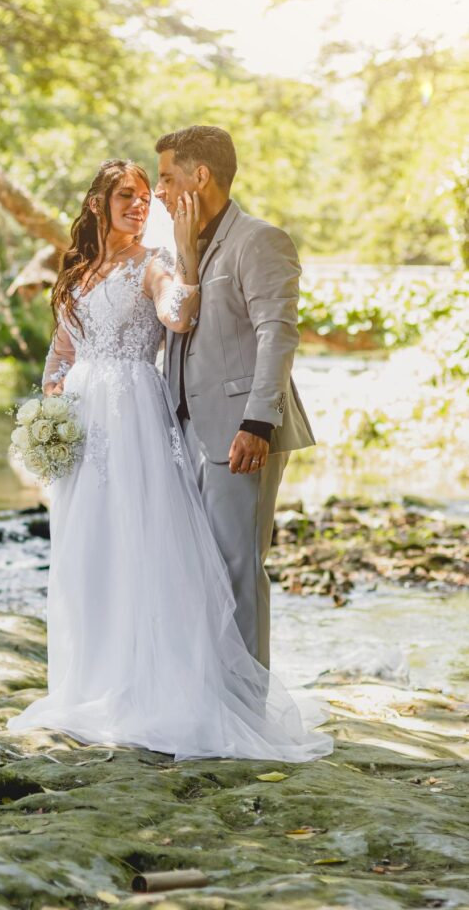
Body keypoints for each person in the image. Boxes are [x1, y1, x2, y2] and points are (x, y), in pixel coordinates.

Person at [6, 158, 332, 763]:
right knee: (87, 544)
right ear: (98, 202)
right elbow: (63, 345)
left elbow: (180, 314)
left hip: (132, 414)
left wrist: (181, 250)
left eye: (142, 195)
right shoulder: (77, 269)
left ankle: (152, 685)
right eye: (124, 195)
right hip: (82, 418)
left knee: (140, 540)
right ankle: (91, 682)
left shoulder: (152, 263)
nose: (136, 204)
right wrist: (49, 395)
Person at [156, 126, 315, 671]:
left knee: (237, 570)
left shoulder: (260, 240)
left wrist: (258, 424)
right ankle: (209, 697)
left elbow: (278, 334)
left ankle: (247, 715)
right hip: (186, 433)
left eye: (166, 177)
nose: (158, 191)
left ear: (199, 177)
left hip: (242, 432)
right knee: (196, 569)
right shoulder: (185, 245)